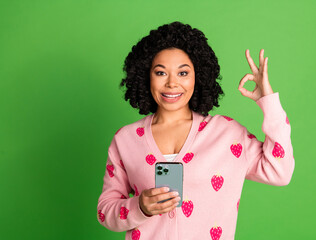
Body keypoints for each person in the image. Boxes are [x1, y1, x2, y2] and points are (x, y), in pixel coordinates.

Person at [97, 21, 295, 240]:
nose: (172, 83)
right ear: (146, 76)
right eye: (161, 73)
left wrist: (268, 102)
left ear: (198, 76)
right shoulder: (125, 139)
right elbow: (105, 211)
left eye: (183, 73)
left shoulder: (227, 133)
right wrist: (139, 207)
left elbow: (280, 172)